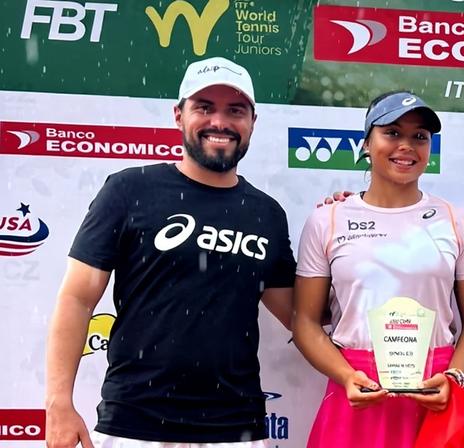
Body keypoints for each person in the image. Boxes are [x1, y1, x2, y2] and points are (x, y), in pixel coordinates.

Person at [45, 56, 296, 448]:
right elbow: (77, 298)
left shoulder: (267, 213)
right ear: (178, 115)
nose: (220, 122)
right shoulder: (129, 190)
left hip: (234, 429)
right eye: (204, 107)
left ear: (252, 122)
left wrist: (347, 225)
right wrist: (58, 403)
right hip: (133, 425)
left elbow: (303, 315)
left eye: (235, 110)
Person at [292, 91, 464, 448]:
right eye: (393, 133)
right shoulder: (327, 220)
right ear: (367, 143)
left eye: (419, 137)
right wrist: (345, 375)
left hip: (435, 393)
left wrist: (455, 377)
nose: (407, 146)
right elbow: (305, 321)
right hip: (355, 391)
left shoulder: (456, 221)